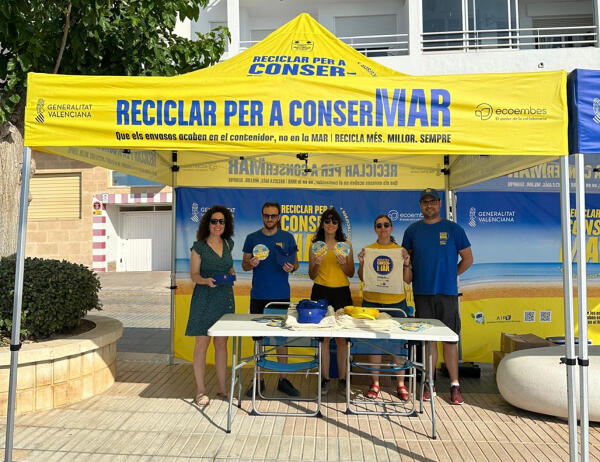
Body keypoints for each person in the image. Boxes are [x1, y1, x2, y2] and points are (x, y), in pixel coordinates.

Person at [402, 188, 473, 405]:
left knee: (449, 340)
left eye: (433, 201)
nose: (429, 205)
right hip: (422, 293)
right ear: (420, 205)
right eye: (425, 202)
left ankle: (454, 384)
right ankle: (429, 382)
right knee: (428, 340)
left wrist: (451, 275)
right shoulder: (412, 230)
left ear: (440, 204)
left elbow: (468, 259)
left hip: (447, 293)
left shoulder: (453, 229)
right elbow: (405, 263)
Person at [242, 202, 300, 397]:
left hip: (281, 295)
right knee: (259, 339)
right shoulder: (252, 238)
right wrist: (251, 263)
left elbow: (296, 264)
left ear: (279, 216)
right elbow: (244, 266)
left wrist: (292, 268)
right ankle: (259, 379)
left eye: (273, 216)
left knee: (281, 339)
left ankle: (283, 379)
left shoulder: (287, 237)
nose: (269, 219)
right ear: (262, 216)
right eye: (266, 215)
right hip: (258, 295)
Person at [357, 214, 413, 401]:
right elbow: (363, 277)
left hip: (396, 303)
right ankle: (375, 383)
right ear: (375, 229)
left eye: (386, 225)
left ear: (391, 228)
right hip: (372, 302)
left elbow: (407, 279)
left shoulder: (400, 251)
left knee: (398, 344)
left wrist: (406, 264)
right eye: (379, 225)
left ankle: (401, 385)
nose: (383, 228)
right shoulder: (368, 250)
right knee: (375, 345)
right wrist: (363, 262)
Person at [187, 205, 236, 406]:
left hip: (224, 298)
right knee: (202, 345)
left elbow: (228, 266)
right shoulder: (198, 246)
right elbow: (194, 275)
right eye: (214, 221)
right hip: (204, 299)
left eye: (221, 221)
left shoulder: (229, 244)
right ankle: (200, 391)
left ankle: (223, 388)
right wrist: (205, 280)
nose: (217, 225)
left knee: (222, 344)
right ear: (208, 224)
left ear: (226, 225)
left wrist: (232, 273)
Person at [308, 207, 355, 393]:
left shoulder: (346, 245)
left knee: (342, 339)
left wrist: (344, 265)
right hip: (320, 291)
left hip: (342, 292)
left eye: (334, 221)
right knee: (324, 339)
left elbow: (351, 273)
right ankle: (325, 379)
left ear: (338, 225)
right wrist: (317, 265)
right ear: (322, 224)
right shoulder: (315, 246)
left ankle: (343, 379)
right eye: (327, 220)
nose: (330, 224)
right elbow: (311, 275)